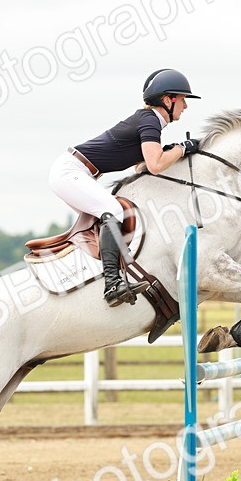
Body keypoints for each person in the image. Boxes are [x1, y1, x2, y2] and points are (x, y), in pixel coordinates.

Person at [50, 68, 201, 306]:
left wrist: (174, 151)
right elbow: (155, 164)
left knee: (111, 213)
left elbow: (140, 168)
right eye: (182, 99)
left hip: (78, 172)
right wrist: (181, 149)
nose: (186, 106)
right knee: (115, 211)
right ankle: (112, 285)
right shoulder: (150, 120)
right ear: (167, 99)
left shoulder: (149, 122)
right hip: (70, 172)